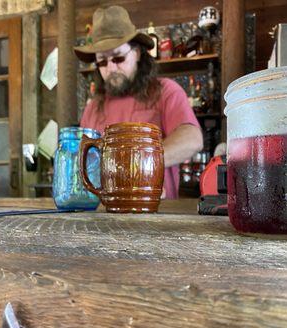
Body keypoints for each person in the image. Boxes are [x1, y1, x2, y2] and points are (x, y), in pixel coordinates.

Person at [74, 5, 203, 199]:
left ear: (138, 53)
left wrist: (138, 166)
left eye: (118, 57)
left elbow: (192, 139)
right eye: (102, 61)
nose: (110, 68)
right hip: (100, 215)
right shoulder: (92, 107)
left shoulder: (165, 91)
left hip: (157, 215)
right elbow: (82, 160)